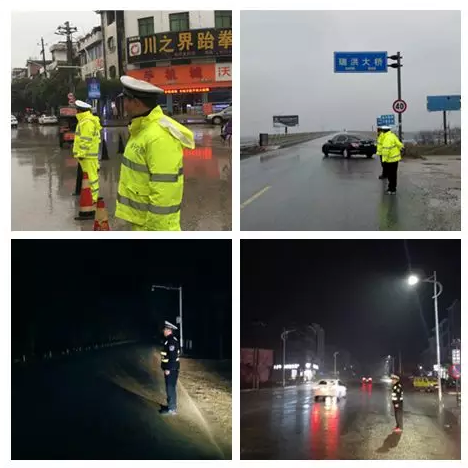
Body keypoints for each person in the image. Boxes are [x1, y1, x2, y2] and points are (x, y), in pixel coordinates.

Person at [115, 76, 195, 231]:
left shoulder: (159, 136)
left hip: (155, 226)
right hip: (142, 221)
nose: (123, 105)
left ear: (136, 103)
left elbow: (164, 189)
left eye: (125, 100)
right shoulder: (141, 129)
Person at [72, 100, 102, 205]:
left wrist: (80, 154)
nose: (76, 112)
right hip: (88, 156)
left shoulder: (86, 122)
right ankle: (92, 198)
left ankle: (93, 199)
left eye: (77, 110)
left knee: (91, 178)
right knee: (90, 177)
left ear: (80, 111)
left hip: (87, 156)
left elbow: (85, 140)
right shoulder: (87, 121)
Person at [160, 320, 181, 415]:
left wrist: (167, 368)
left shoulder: (171, 341)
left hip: (171, 369)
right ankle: (171, 407)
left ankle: (172, 409)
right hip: (172, 368)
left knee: (170, 388)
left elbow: (172, 357)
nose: (163, 331)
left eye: (165, 329)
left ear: (169, 330)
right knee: (170, 387)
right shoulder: (170, 340)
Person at [380, 126, 404, 195]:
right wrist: (402, 148)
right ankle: (393, 188)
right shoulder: (392, 135)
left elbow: (386, 150)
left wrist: (384, 160)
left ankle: (391, 189)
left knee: (390, 175)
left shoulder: (386, 138)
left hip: (389, 160)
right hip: (395, 159)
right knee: (394, 174)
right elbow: (399, 143)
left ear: (383, 131)